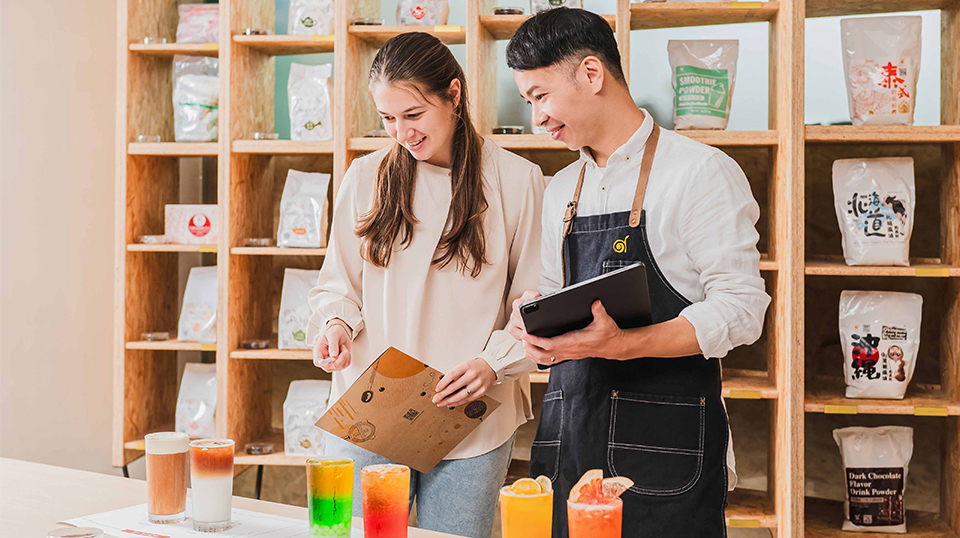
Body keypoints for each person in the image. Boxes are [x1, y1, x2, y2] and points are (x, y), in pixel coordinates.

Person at [504, 8, 771, 538]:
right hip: (569, 434)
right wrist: (531, 321)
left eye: (540, 96)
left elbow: (742, 310)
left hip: (664, 448)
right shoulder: (562, 187)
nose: (537, 119)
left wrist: (623, 343)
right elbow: (555, 294)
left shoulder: (699, 172)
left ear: (590, 74)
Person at [307, 32, 544, 538]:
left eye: (413, 115)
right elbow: (337, 285)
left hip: (470, 419)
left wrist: (494, 363)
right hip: (369, 411)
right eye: (388, 119)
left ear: (453, 95)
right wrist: (335, 325)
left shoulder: (519, 181)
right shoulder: (365, 176)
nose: (401, 132)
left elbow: (534, 305)